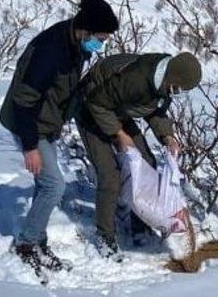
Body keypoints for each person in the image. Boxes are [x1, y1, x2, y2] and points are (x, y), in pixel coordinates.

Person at [0, 0, 119, 281]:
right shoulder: (50, 50)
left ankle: (36, 240)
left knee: (46, 184)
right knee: (54, 185)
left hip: (46, 123)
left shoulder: (74, 43)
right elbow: (24, 100)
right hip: (29, 123)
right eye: (99, 39)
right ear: (85, 29)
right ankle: (26, 244)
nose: (99, 45)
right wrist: (30, 146)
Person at [77, 51, 202, 259]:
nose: (178, 93)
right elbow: (97, 103)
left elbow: (156, 111)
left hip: (117, 108)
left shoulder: (165, 83)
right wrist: (119, 134)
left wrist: (168, 136)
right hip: (91, 106)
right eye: (180, 88)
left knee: (147, 161)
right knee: (110, 175)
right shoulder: (138, 79)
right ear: (173, 77)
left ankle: (140, 228)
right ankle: (105, 238)